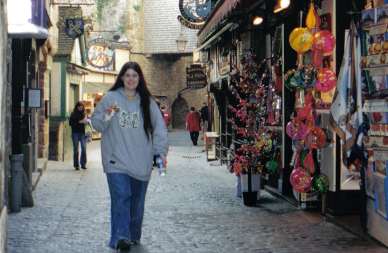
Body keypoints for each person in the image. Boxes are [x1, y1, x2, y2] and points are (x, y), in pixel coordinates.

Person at [91, 62, 168, 252]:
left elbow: (159, 129)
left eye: (135, 75)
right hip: (116, 160)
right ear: (122, 78)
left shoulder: (147, 102)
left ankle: (133, 236)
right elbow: (97, 124)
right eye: (127, 75)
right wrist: (109, 114)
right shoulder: (111, 98)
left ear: (139, 79)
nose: (131, 79)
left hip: (141, 161)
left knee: (136, 203)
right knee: (121, 197)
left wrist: (159, 152)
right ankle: (120, 238)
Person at [69, 102, 89, 170]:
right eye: (79, 106)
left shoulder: (84, 114)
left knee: (84, 148)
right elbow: (70, 123)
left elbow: (86, 122)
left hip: (83, 133)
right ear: (77, 107)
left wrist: (86, 121)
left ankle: (83, 164)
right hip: (75, 133)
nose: (81, 108)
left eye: (82, 106)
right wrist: (80, 122)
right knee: (76, 150)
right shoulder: (73, 114)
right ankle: (76, 165)